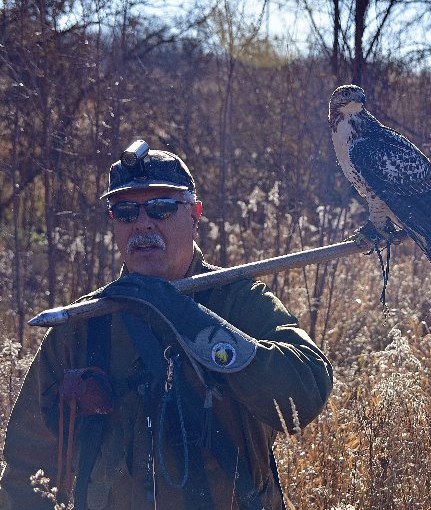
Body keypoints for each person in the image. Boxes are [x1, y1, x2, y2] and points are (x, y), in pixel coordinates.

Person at [0, 140, 333, 509]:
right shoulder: (85, 322)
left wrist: (190, 320)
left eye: (161, 207)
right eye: (125, 211)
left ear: (194, 216)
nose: (143, 222)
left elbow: (305, 391)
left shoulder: (238, 300)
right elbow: (28, 464)